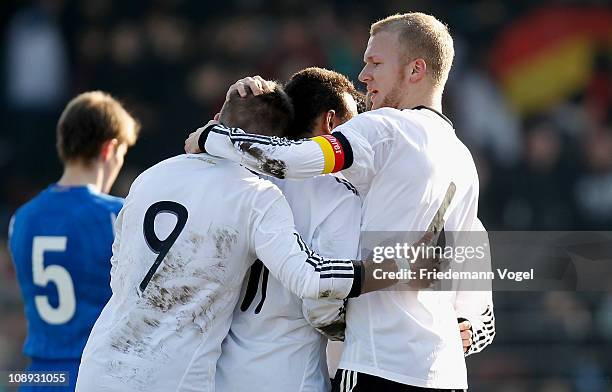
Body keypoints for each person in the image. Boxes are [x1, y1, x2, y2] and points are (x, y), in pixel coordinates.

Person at [185, 12, 495, 391]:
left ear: (416, 70)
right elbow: (477, 302)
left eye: (376, 63)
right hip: (444, 371)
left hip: (377, 363)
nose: (364, 75)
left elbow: (289, 160)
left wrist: (214, 136)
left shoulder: (384, 128)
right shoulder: (464, 161)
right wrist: (470, 329)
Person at [76, 83, 422, 392]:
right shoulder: (257, 194)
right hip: (179, 374)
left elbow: (117, 262)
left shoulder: (152, 174)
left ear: (217, 120)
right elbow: (312, 280)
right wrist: (401, 267)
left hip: (101, 361)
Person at [216, 67, 364, 392]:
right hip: (289, 375)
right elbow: (321, 302)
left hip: (220, 373)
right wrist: (355, 327)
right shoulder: (338, 196)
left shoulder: (238, 174)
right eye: (354, 125)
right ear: (331, 123)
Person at [8, 91, 139, 391]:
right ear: (110, 149)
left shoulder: (22, 218)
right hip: (95, 375)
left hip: (37, 377)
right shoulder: (117, 215)